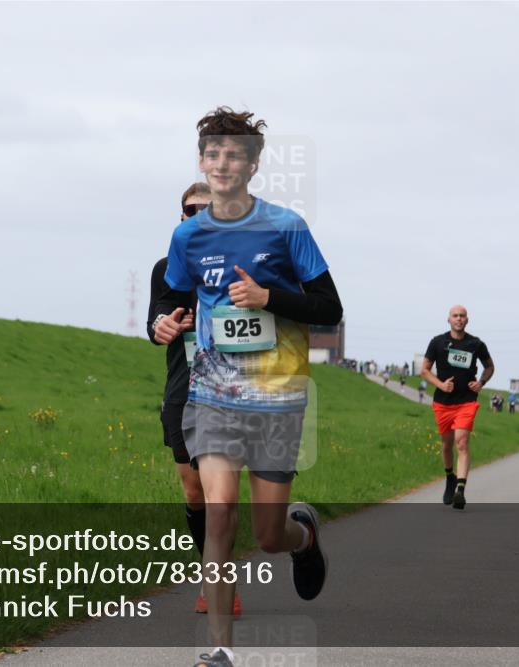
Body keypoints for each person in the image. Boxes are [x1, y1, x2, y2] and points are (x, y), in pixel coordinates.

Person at [154, 106, 343, 667]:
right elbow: (173, 297)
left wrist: (269, 298)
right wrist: (162, 322)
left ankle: (302, 537)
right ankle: (220, 650)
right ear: (202, 162)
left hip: (277, 397)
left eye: (234, 154)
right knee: (219, 511)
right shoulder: (188, 235)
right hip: (212, 394)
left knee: (266, 535)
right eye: (212, 153)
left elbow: (329, 308)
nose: (222, 163)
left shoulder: (287, 227)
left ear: (253, 165)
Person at [147, 182, 242, 616]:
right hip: (183, 390)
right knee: (193, 493)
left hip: (229, 391)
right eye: (192, 210)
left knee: (221, 495)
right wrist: (163, 326)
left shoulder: (244, 266)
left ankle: (219, 582)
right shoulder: (167, 267)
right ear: (182, 218)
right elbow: (157, 318)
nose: (200, 215)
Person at [421, 305, 494, 511]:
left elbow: (490, 366)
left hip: (467, 401)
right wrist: (441, 385)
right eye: (455, 316)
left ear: (467, 320)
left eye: (462, 316)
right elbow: (424, 370)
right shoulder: (437, 342)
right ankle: (449, 477)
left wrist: (481, 382)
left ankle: (460, 490)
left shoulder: (476, 344)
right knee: (446, 445)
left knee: (461, 442)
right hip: (443, 402)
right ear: (449, 319)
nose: (459, 319)